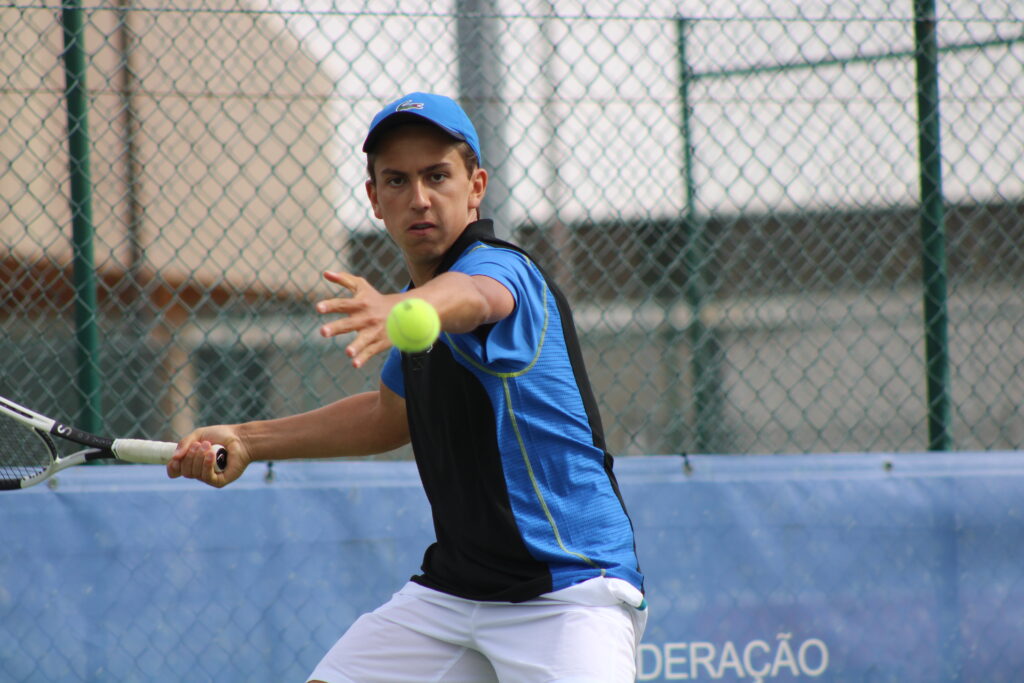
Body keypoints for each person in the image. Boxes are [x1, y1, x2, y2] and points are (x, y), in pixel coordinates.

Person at [168, 91, 647, 682]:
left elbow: (472, 299)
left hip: (569, 591)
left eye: (437, 176)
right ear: (374, 198)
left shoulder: (503, 271)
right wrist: (245, 438)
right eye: (396, 180)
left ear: (476, 186)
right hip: (454, 592)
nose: (419, 198)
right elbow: (384, 416)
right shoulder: (416, 316)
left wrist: (402, 307)